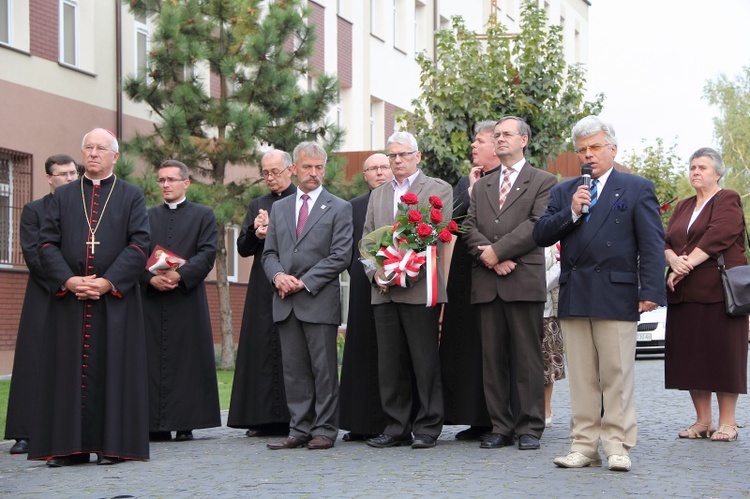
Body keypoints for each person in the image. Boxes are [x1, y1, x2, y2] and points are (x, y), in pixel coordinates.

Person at [533, 115, 665, 472]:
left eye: (595, 147)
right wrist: (572, 212)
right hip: (576, 293)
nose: (588, 155)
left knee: (616, 373)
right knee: (582, 377)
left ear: (612, 149)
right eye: (582, 150)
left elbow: (652, 244)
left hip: (617, 293)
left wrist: (651, 289)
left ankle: (617, 444)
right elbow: (541, 234)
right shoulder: (565, 191)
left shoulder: (636, 187)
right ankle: (583, 445)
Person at [29, 128, 151, 466]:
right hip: (70, 301)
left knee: (114, 369)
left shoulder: (131, 195)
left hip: (114, 301)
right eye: (88, 148)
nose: (93, 153)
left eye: (101, 148)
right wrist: (68, 280)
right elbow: (45, 243)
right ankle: (69, 448)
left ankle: (114, 446)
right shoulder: (64, 196)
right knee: (67, 371)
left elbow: (140, 243)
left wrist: (107, 281)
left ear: (116, 156)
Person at [464, 116, 556, 451]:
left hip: (523, 279)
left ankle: (530, 426)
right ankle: (500, 425)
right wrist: (488, 256)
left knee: (527, 357)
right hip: (487, 282)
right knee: (493, 359)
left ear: (524, 140)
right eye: (496, 135)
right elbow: (468, 226)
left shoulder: (543, 180)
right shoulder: (484, 184)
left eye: (506, 134)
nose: (500, 139)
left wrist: (499, 252)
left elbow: (539, 223)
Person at [363, 131, 453, 450]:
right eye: (392, 155)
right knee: (390, 363)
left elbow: (437, 233)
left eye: (403, 155)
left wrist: (406, 267)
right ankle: (396, 425)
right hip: (385, 290)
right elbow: (367, 241)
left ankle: (428, 426)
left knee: (424, 359)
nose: (397, 161)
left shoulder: (438, 189)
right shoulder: (378, 195)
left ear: (418, 156)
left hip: (419, 287)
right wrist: (377, 274)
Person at [261, 142, 353, 451]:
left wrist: (303, 281)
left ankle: (325, 429)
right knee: (294, 370)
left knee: (323, 370)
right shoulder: (280, 208)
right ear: (294, 169)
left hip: (318, 300)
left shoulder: (340, 207)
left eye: (319, 167)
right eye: (307, 167)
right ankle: (299, 428)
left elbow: (340, 256)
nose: (313, 173)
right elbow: (269, 253)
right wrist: (277, 276)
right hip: (285, 301)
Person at [664, 147, 747, 443]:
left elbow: (718, 235)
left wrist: (684, 265)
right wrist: (673, 260)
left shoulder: (728, 199)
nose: (695, 172)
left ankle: (728, 422)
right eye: (692, 167)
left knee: (723, 356)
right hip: (685, 294)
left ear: (718, 173)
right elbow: (666, 239)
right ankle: (703, 420)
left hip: (719, 293)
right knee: (690, 357)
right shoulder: (684, 205)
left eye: (702, 167)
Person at [142, 159, 221, 442]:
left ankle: (186, 421)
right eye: (161, 180)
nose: (165, 185)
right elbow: (136, 250)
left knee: (187, 360)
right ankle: (154, 423)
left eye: (171, 180)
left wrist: (180, 275)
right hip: (151, 299)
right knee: (151, 361)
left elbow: (207, 252)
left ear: (186, 183)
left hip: (187, 297)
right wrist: (149, 278)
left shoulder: (203, 215)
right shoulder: (145, 215)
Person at [5, 155, 78, 455]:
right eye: (63, 174)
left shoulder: (89, 210)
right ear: (49, 178)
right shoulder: (34, 210)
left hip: (85, 291)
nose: (70, 179)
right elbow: (34, 254)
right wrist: (68, 281)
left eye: (74, 173)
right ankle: (25, 432)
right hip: (46, 292)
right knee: (34, 360)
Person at [227, 149, 295, 437]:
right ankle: (259, 417)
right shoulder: (258, 204)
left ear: (290, 170)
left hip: (291, 281)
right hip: (261, 287)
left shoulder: (300, 200)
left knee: (291, 350)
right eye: (265, 173)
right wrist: (256, 232)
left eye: (275, 172)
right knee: (260, 348)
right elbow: (243, 248)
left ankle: (296, 417)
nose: (269, 178)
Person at [439, 120, 499, 441]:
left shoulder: (508, 180)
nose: (473, 147)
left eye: (479, 141)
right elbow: (452, 222)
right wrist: (472, 191)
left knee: (491, 345)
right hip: (464, 271)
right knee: (465, 342)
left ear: (496, 145)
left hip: (493, 268)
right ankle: (473, 417)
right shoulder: (466, 180)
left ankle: (497, 418)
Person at [338, 153, 393, 441]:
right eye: (373, 168)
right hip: (362, 284)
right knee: (362, 352)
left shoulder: (401, 202)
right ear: (365, 175)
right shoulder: (353, 207)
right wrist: (369, 272)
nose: (380, 172)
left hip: (399, 283)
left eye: (385, 167)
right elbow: (346, 247)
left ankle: (395, 422)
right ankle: (359, 422)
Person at [542, 243, 565, 427]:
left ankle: (546, 409)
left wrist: (537, 284)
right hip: (520, 304)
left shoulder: (553, 239)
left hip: (548, 309)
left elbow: (561, 265)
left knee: (548, 363)